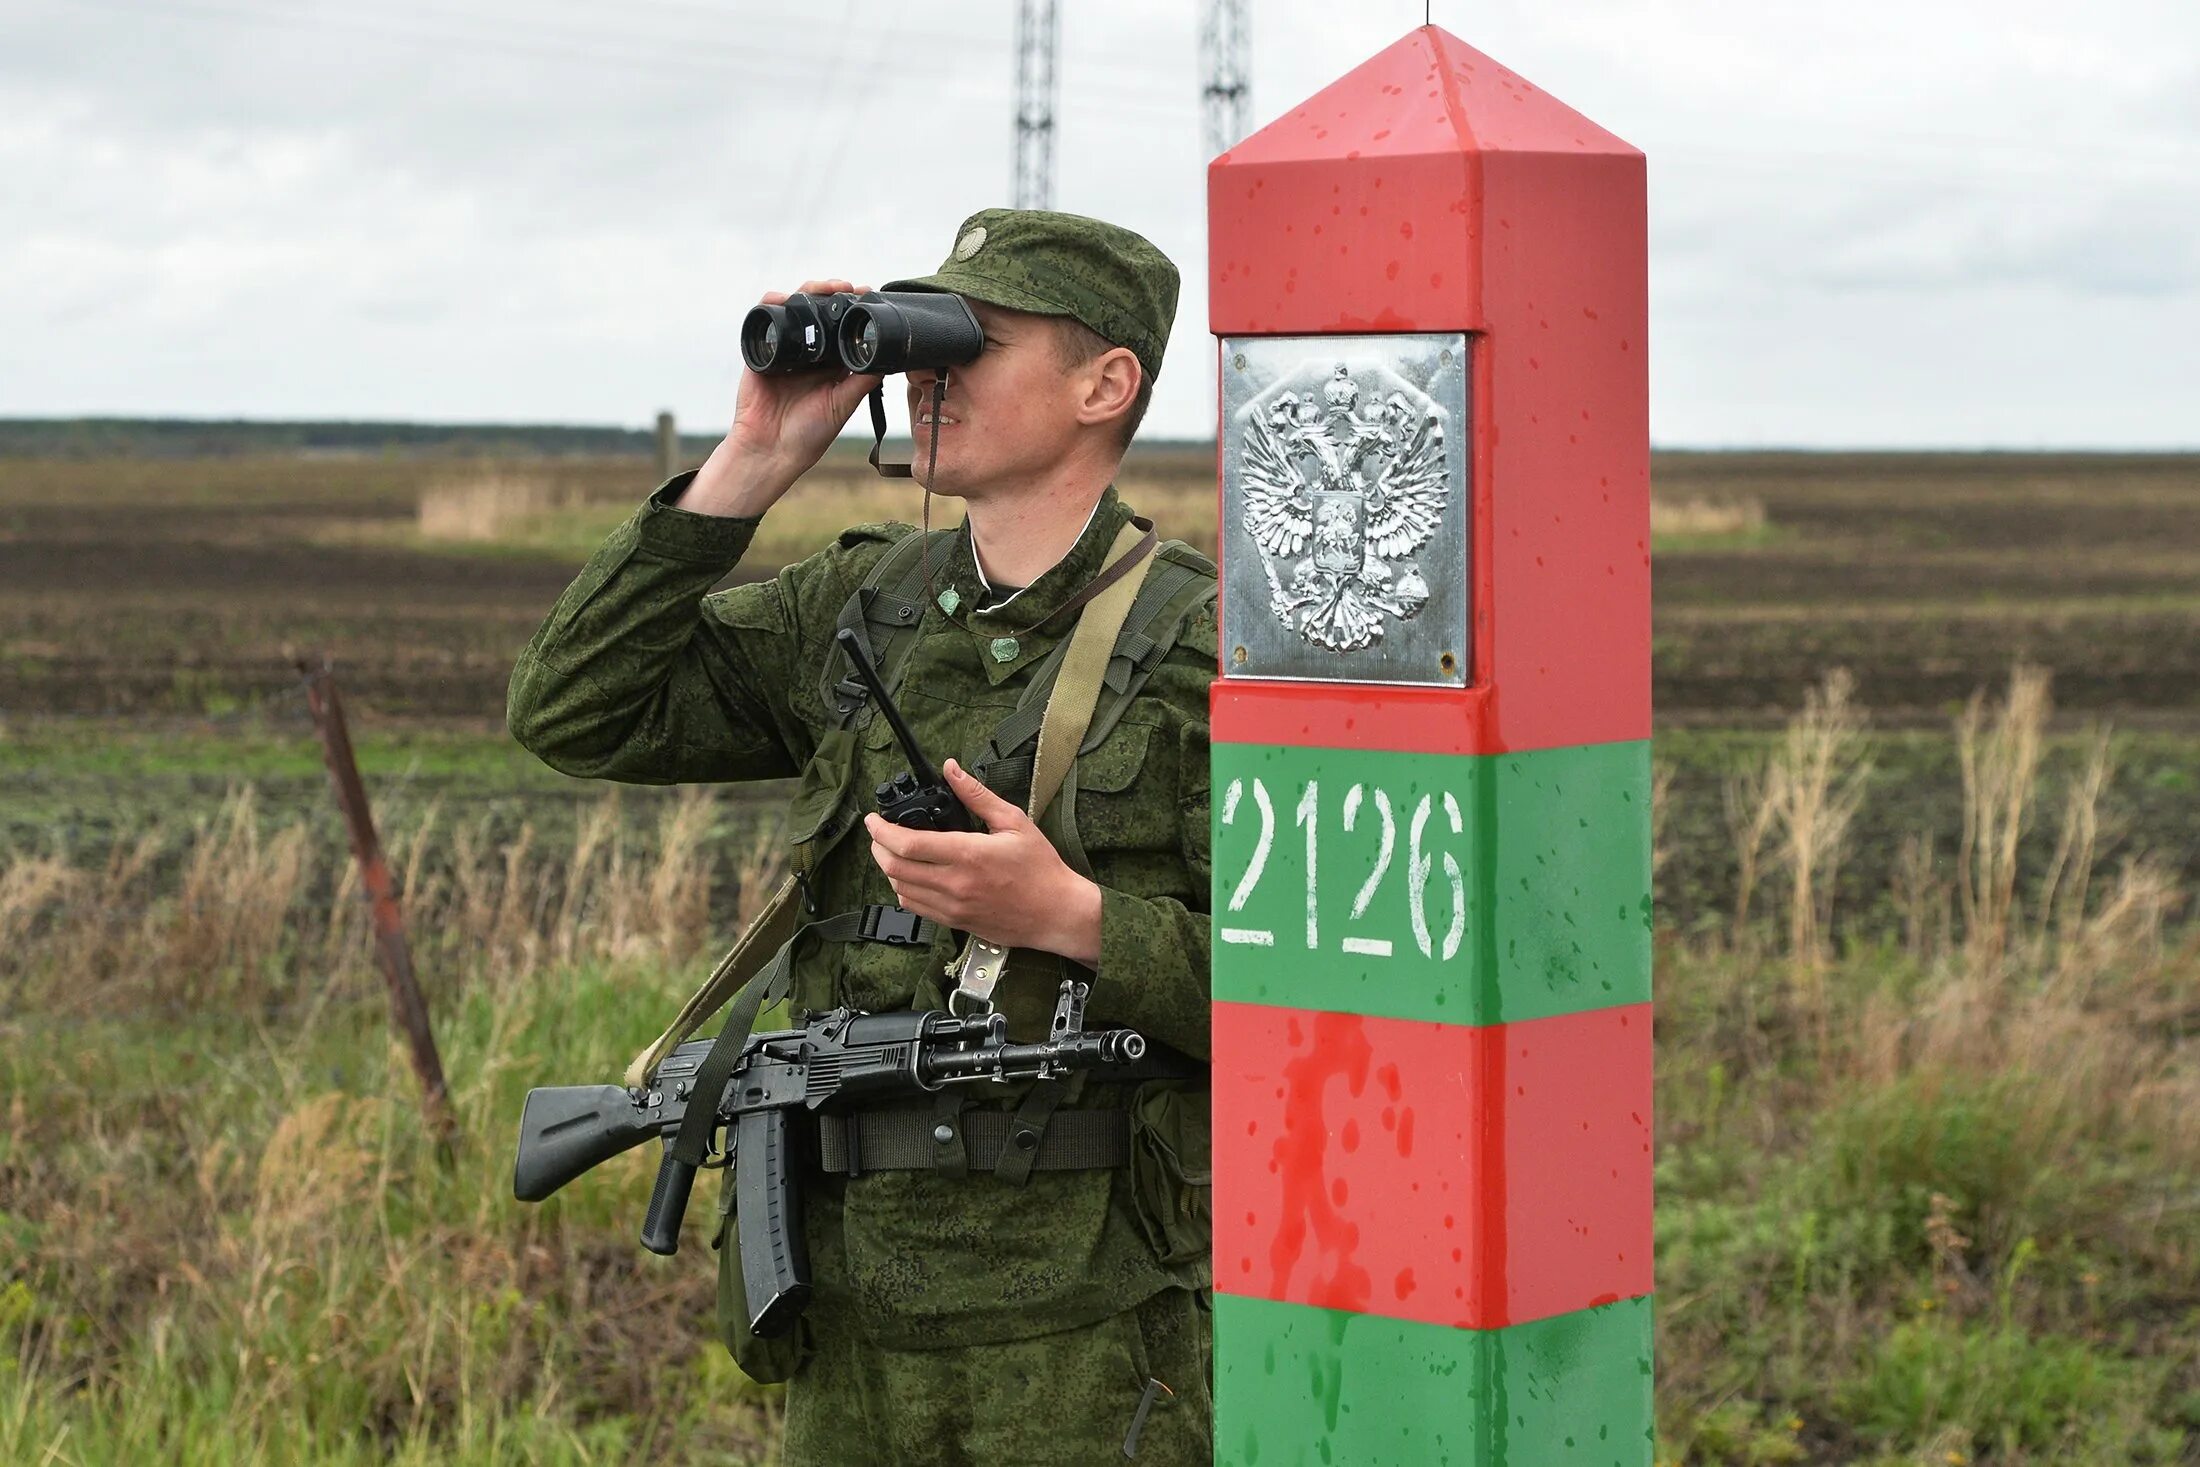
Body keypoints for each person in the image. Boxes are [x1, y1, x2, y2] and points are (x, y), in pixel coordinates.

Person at [506, 208, 1216, 1465]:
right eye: (916, 342)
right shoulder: (867, 604)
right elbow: (576, 708)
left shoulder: (1206, 651)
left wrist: (1075, 922)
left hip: (1081, 1328)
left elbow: (1336, 1001)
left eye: (972, 343)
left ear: (1107, 384)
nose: (925, 374)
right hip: (844, 1304)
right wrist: (750, 458)